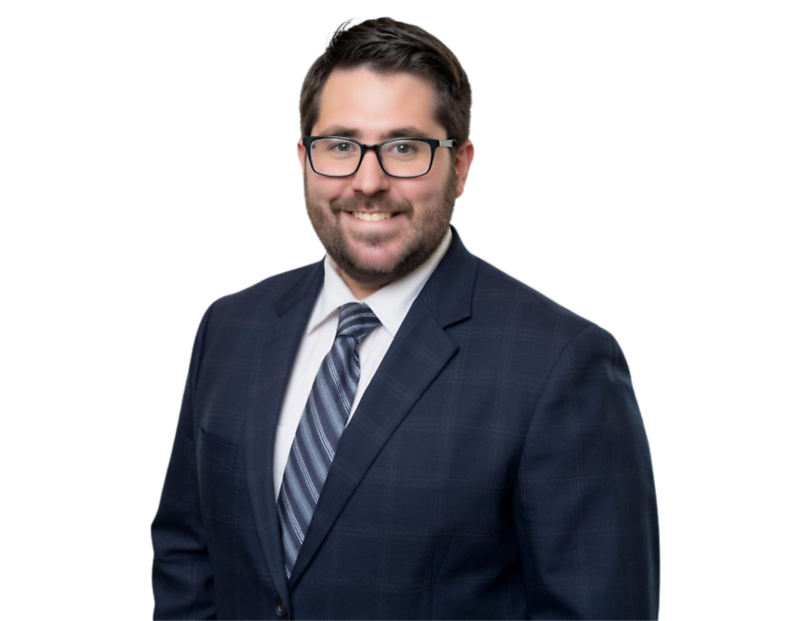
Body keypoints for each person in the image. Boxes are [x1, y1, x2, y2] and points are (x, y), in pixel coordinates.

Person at [150, 15, 661, 620]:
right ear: (302, 159)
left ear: (462, 165)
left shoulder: (563, 364)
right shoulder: (227, 327)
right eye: (340, 145)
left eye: (403, 148)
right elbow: (186, 553)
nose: (368, 181)